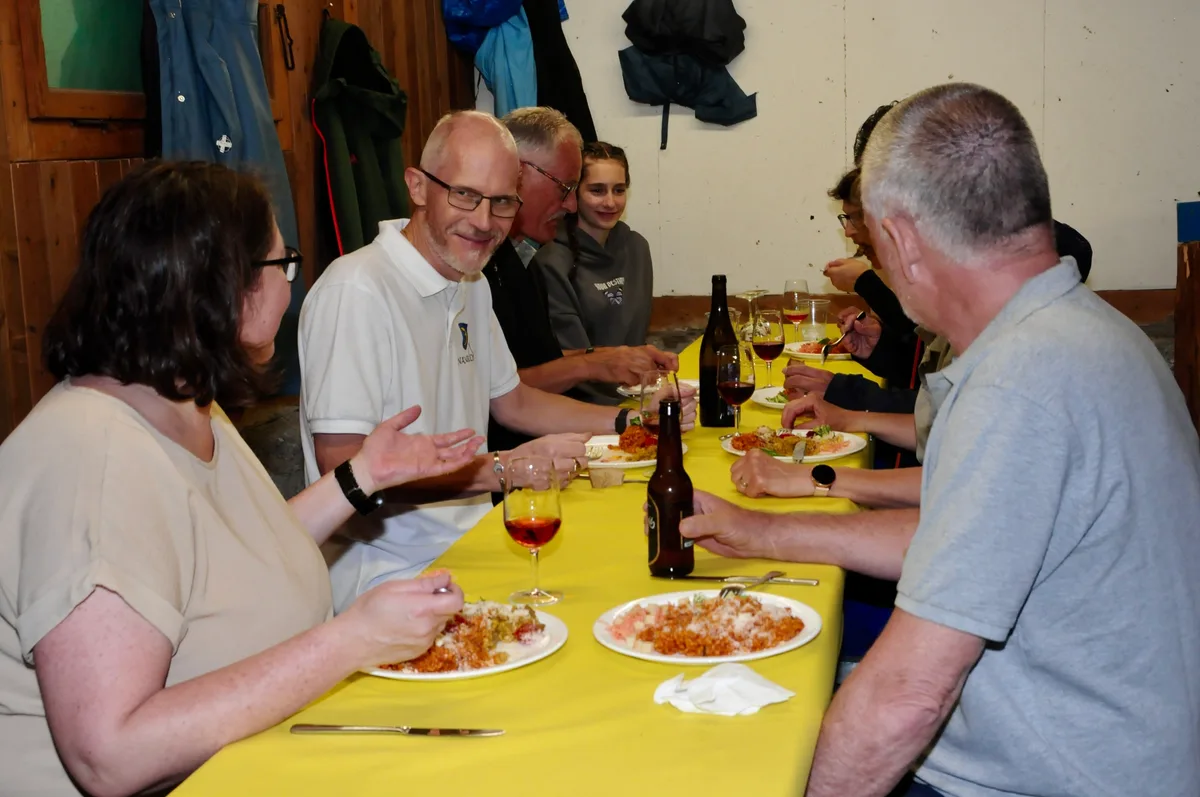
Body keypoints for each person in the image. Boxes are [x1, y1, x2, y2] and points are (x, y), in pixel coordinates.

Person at [682, 83, 1200, 797]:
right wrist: (764, 533)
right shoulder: (1080, 332)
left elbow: (908, 698)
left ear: (897, 240)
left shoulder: (1022, 381)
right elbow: (969, 534)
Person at [0, 162, 481, 796]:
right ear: (225, 287)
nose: (291, 287)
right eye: (283, 266)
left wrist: (364, 475)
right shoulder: (92, 458)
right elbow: (110, 755)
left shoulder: (180, 398)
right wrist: (351, 641)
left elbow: (234, 554)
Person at [299, 111, 695, 611]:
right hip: (387, 577)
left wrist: (634, 421)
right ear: (418, 187)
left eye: (503, 202)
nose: (484, 222)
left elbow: (514, 403)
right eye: (464, 195)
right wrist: (501, 470)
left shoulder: (471, 282)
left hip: (474, 546)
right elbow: (342, 466)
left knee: (637, 585)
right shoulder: (356, 289)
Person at [484, 108, 681, 449]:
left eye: (619, 190)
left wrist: (613, 365)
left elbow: (522, 384)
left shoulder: (510, 260)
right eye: (565, 188)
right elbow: (504, 396)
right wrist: (596, 364)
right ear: (518, 174)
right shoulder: (492, 265)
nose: (572, 206)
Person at [533, 141, 653, 355]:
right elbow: (570, 357)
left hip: (637, 383)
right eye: (597, 190)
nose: (610, 202)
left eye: (618, 190)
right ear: (574, 194)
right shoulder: (551, 262)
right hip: (579, 386)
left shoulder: (637, 248)